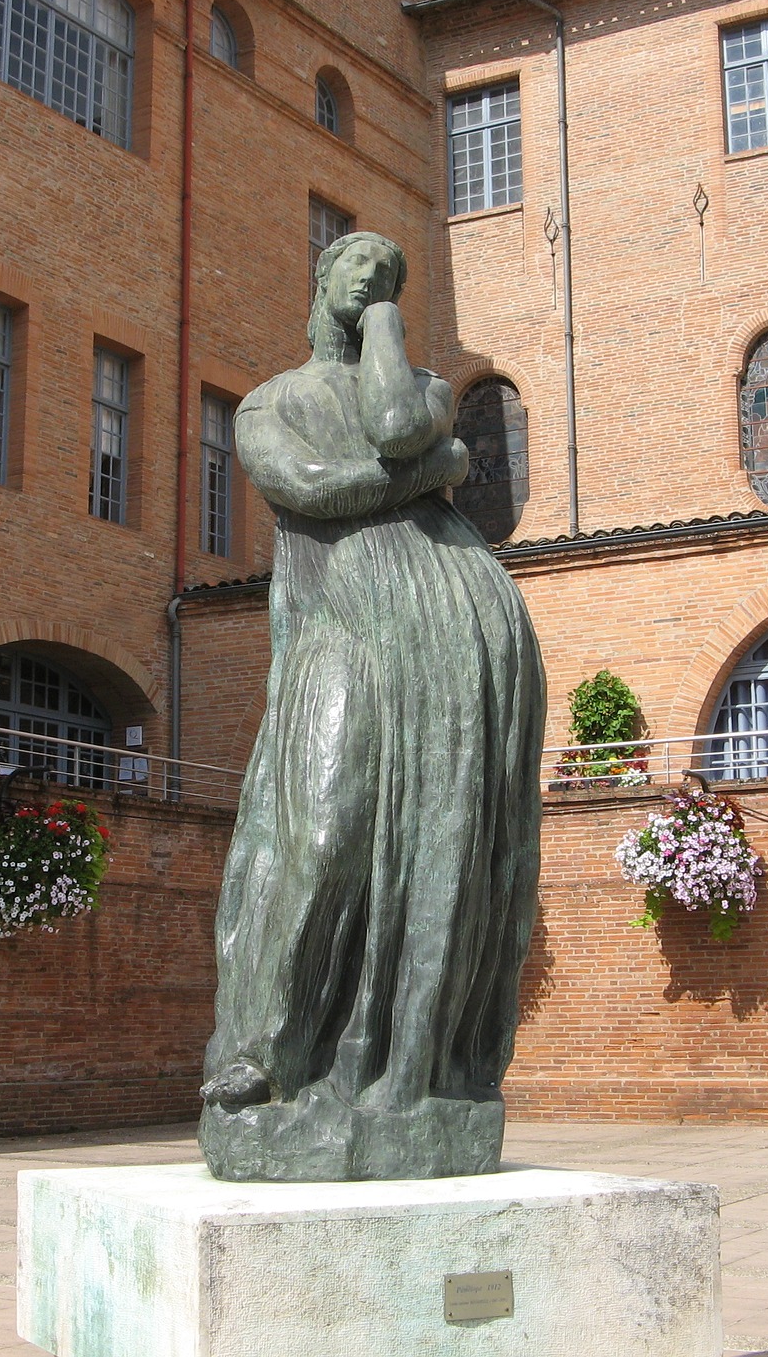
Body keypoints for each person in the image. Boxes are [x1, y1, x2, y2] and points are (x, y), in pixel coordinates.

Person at [198, 231, 545, 1182]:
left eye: (394, 275)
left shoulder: (426, 389)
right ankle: (265, 1052)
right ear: (318, 277)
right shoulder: (271, 402)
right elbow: (306, 489)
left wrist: (388, 325)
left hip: (452, 634)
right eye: (360, 263)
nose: (376, 276)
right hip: (343, 629)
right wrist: (434, 475)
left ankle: (405, 1068)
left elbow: (394, 422)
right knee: (324, 831)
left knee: (446, 848)